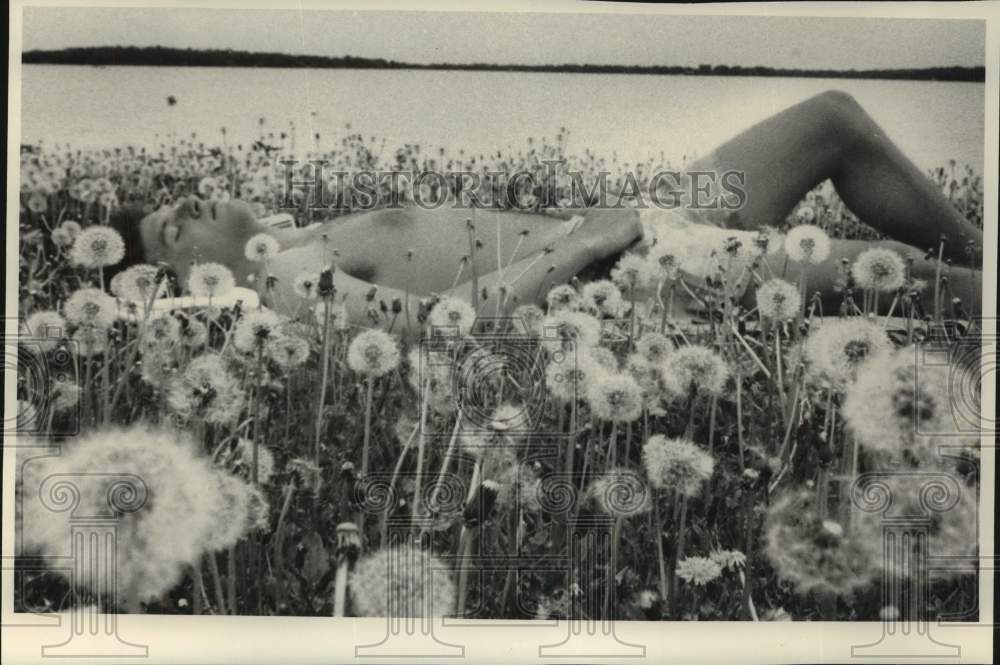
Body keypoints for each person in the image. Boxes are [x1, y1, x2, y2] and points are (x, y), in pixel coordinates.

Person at [110, 90, 983, 334]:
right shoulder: (292, 283)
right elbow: (455, 321)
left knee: (829, 121)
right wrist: (590, 243)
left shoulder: (300, 236)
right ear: (174, 278)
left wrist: (604, 218)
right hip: (631, 270)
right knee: (915, 284)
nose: (185, 203)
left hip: (647, 218)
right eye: (169, 228)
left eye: (173, 198)